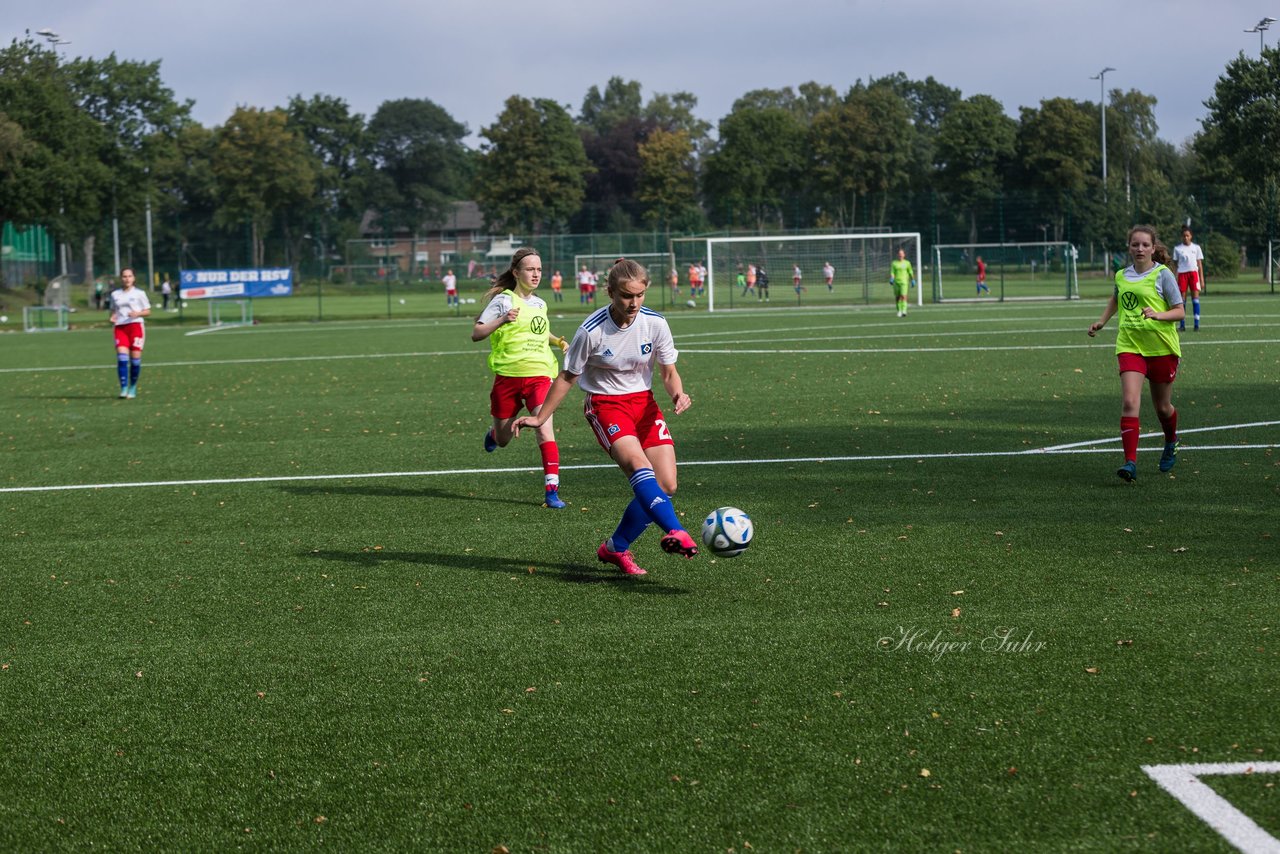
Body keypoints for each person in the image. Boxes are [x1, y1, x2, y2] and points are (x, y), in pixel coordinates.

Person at [511, 258, 698, 575]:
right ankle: (676, 530)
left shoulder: (656, 324)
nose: (634, 303)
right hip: (606, 404)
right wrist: (541, 417)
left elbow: (669, 372)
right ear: (610, 292)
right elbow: (568, 377)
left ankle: (615, 548)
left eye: (639, 295)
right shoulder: (591, 330)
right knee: (639, 468)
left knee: (665, 485)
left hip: (645, 404)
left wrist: (677, 393)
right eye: (626, 296)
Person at [472, 247, 571, 508]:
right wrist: (502, 320)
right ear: (516, 273)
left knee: (544, 427)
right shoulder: (503, 301)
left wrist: (558, 341)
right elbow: (477, 333)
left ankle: (552, 492)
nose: (536, 274)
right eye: (530, 269)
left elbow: (540, 332)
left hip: (539, 374)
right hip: (508, 377)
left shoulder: (540, 303)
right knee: (504, 440)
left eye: (539, 269)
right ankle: (494, 435)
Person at [1088, 225, 1185, 482]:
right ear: (1129, 247)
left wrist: (1158, 315)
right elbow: (1117, 297)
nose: (1139, 249)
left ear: (1153, 248)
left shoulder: (1163, 275)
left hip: (1161, 348)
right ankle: (1130, 462)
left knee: (1163, 408)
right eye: (1135, 245)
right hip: (1130, 346)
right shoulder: (1121, 275)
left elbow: (1179, 311)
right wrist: (1102, 321)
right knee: (1130, 402)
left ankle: (1171, 440)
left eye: (1144, 245)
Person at [107, 268, 151, 399]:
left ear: (134, 278)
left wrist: (138, 313)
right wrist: (113, 316)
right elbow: (114, 310)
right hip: (120, 328)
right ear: (121, 278)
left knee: (135, 360)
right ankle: (124, 388)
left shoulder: (140, 293)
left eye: (129, 276)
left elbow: (148, 311)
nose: (127, 279)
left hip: (136, 327)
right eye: (124, 276)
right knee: (121, 358)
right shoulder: (115, 294)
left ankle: (133, 387)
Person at [1172, 226, 1205, 331]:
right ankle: (1182, 325)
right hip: (1182, 275)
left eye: (1188, 235)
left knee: (1195, 300)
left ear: (1191, 236)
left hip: (1194, 275)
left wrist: (1201, 279)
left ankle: (1196, 324)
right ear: (1182, 237)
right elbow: (1176, 266)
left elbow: (1199, 265)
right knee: (1182, 301)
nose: (1186, 237)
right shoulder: (1177, 249)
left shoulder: (1196, 248)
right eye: (1184, 236)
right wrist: (1174, 278)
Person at [889, 248, 914, 317]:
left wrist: (912, 280)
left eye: (901, 254)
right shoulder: (894, 263)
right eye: (899, 254)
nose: (900, 255)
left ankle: (904, 311)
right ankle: (899, 310)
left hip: (904, 282)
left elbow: (910, 271)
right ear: (898, 255)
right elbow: (892, 272)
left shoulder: (907, 263)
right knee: (897, 297)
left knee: (903, 296)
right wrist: (892, 278)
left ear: (904, 255)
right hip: (896, 282)